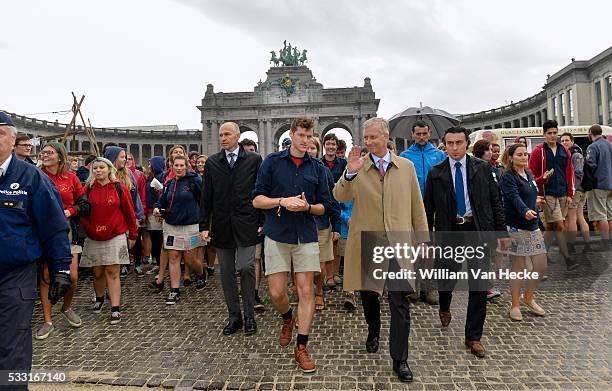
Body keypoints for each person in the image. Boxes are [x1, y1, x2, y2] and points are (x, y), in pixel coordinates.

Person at [334, 117, 429, 382]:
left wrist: (422, 239)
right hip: (370, 243)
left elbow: (416, 206)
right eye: (366, 138)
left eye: (373, 137)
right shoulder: (357, 168)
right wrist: (349, 172)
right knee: (369, 296)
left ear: (385, 136)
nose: (369, 142)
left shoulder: (406, 167)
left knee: (399, 302)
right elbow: (339, 196)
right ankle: (373, 330)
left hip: (399, 243)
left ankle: (400, 359)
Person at [252, 116, 332, 373]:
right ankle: (288, 318)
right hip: (277, 233)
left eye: (310, 137)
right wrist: (281, 201)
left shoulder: (318, 168)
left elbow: (326, 207)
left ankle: (302, 346)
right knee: (276, 292)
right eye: (301, 136)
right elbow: (256, 200)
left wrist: (308, 207)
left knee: (305, 290)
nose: (306, 141)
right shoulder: (272, 163)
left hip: (306, 235)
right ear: (292, 134)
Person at [0, 113, 72, 388]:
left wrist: (61, 268)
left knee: (13, 345)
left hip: (14, 274)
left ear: (12, 139)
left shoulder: (32, 178)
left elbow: (53, 227)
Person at [424, 126, 507, 358]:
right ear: (445, 144)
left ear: (466, 143)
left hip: (476, 230)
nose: (454, 147)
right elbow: (427, 208)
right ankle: (444, 304)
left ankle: (473, 336)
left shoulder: (482, 169)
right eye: (449, 143)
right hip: (449, 232)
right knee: (446, 279)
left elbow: (495, 202)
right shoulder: (435, 173)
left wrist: (500, 234)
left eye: (458, 143)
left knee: (479, 286)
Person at [200, 122, 262, 335]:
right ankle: (234, 316)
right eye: (220, 135)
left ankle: (249, 315)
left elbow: (259, 191)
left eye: (227, 134)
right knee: (226, 272)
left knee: (246, 267)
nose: (223, 138)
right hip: (222, 225)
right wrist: (204, 225)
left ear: (237, 135)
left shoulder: (254, 160)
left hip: (247, 223)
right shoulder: (212, 163)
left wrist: (262, 221)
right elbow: (206, 196)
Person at [36, 142, 86, 339]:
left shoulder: (71, 178)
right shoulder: (35, 175)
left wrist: (70, 211)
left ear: (60, 156)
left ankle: (66, 307)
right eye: (43, 152)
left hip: (67, 231)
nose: (45, 155)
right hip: (44, 232)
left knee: (72, 276)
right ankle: (47, 320)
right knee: (47, 275)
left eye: (50, 152)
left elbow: (84, 203)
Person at [79, 157, 138, 324]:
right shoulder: (87, 189)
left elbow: (129, 212)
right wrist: (88, 226)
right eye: (95, 168)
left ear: (109, 169)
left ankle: (115, 307)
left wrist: (133, 234)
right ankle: (99, 298)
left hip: (115, 234)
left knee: (112, 272)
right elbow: (82, 210)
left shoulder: (119, 188)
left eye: (102, 167)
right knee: (97, 272)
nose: (98, 170)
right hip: (94, 235)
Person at [399, 120, 445, 305]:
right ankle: (411, 288)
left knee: (429, 250)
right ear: (412, 134)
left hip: (433, 207)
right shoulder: (404, 156)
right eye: (418, 134)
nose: (421, 137)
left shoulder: (440, 155)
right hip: (411, 206)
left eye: (424, 133)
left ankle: (428, 287)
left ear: (429, 133)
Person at [500, 144, 547, 321]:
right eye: (519, 154)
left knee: (541, 265)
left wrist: (536, 201)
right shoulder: (508, 177)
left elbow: (529, 194)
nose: (524, 157)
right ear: (511, 157)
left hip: (533, 225)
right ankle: (515, 305)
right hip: (516, 226)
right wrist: (525, 210)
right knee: (518, 267)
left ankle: (528, 297)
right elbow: (513, 197)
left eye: (525, 154)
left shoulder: (529, 174)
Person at [154, 155, 206, 305]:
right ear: (172, 166)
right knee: (174, 257)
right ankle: (174, 290)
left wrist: (205, 223)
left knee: (190, 259)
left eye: (181, 165)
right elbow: (162, 200)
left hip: (191, 225)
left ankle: (201, 273)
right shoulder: (169, 183)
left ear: (187, 166)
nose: (178, 168)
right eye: (176, 165)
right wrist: (157, 208)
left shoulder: (195, 180)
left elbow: (204, 200)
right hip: (172, 225)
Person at [528, 120, 577, 270]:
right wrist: (541, 181)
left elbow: (570, 173)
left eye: (555, 133)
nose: (553, 136)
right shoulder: (538, 151)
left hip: (563, 192)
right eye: (549, 133)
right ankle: (568, 259)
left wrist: (570, 193)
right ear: (544, 134)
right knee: (559, 226)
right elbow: (531, 175)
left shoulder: (564, 150)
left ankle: (539, 255)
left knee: (551, 228)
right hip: (547, 193)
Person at [307, 137, 340, 309]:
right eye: (307, 147)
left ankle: (319, 293)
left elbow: (332, 200)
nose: (310, 150)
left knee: (318, 266)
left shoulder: (324, 170)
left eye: (313, 148)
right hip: (300, 226)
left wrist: (336, 225)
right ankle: (305, 295)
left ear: (318, 151)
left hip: (320, 223)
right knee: (304, 267)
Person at [240, 139, 265, 309]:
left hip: (256, 222)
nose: (250, 154)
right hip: (238, 222)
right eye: (246, 151)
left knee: (255, 259)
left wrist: (262, 222)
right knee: (242, 262)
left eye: (252, 150)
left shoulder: (262, 174)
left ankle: (254, 293)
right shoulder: (233, 172)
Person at [560, 133, 592, 252]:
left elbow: (578, 173)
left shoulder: (575, 154)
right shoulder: (570, 154)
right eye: (562, 141)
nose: (564, 143)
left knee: (572, 218)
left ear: (572, 141)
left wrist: (572, 190)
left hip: (577, 191)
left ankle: (571, 245)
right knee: (579, 217)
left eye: (567, 140)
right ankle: (587, 243)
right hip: (579, 190)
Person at [585, 124, 612, 250]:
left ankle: (605, 242)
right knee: (610, 214)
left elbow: (591, 165)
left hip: (599, 184)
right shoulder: (610, 145)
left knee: (601, 215)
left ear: (591, 133)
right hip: (610, 184)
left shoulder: (593, 146)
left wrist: (587, 183)